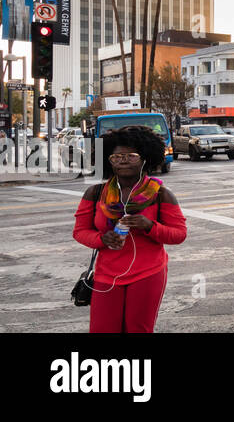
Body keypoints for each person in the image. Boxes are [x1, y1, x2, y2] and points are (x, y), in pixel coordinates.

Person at [73, 126, 187, 333]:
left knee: (138, 330)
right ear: (108, 160)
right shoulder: (95, 193)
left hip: (148, 273)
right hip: (106, 275)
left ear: (145, 158)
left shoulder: (161, 194)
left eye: (131, 156)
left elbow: (179, 234)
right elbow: (80, 231)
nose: (123, 160)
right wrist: (102, 239)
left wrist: (150, 226)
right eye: (116, 157)